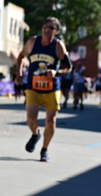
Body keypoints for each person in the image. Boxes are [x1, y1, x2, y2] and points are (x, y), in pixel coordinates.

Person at [16, 16, 71, 163]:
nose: (47, 30)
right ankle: (35, 134)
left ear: (56, 31)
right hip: (33, 86)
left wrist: (56, 72)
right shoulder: (33, 42)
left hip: (52, 88)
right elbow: (21, 56)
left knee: (51, 120)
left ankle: (44, 150)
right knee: (31, 117)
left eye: (51, 28)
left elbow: (68, 67)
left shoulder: (58, 46)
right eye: (45, 27)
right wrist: (19, 74)